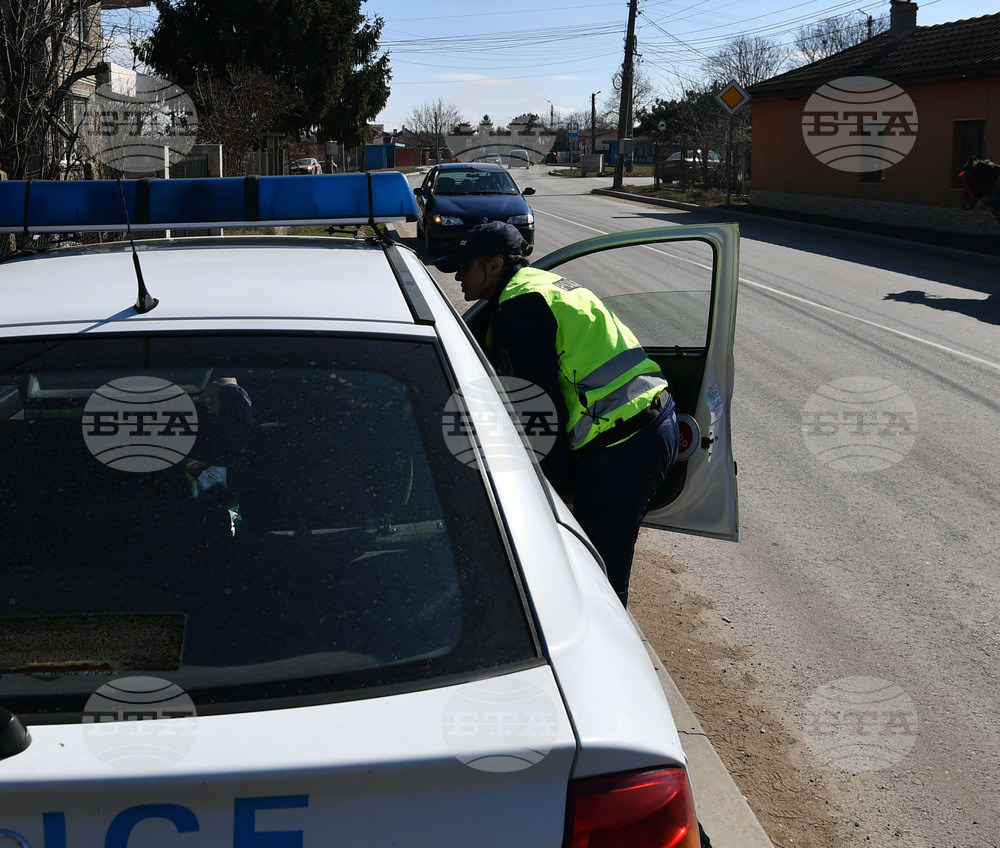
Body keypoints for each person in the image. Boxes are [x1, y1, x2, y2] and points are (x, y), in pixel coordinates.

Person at [435, 221, 679, 606]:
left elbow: (539, 408)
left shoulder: (521, 309)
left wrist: (557, 485)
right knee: (599, 560)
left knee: (599, 576)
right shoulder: (540, 285)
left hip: (622, 445)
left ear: (495, 265)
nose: (458, 276)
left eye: (465, 267)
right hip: (651, 419)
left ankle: (609, 641)